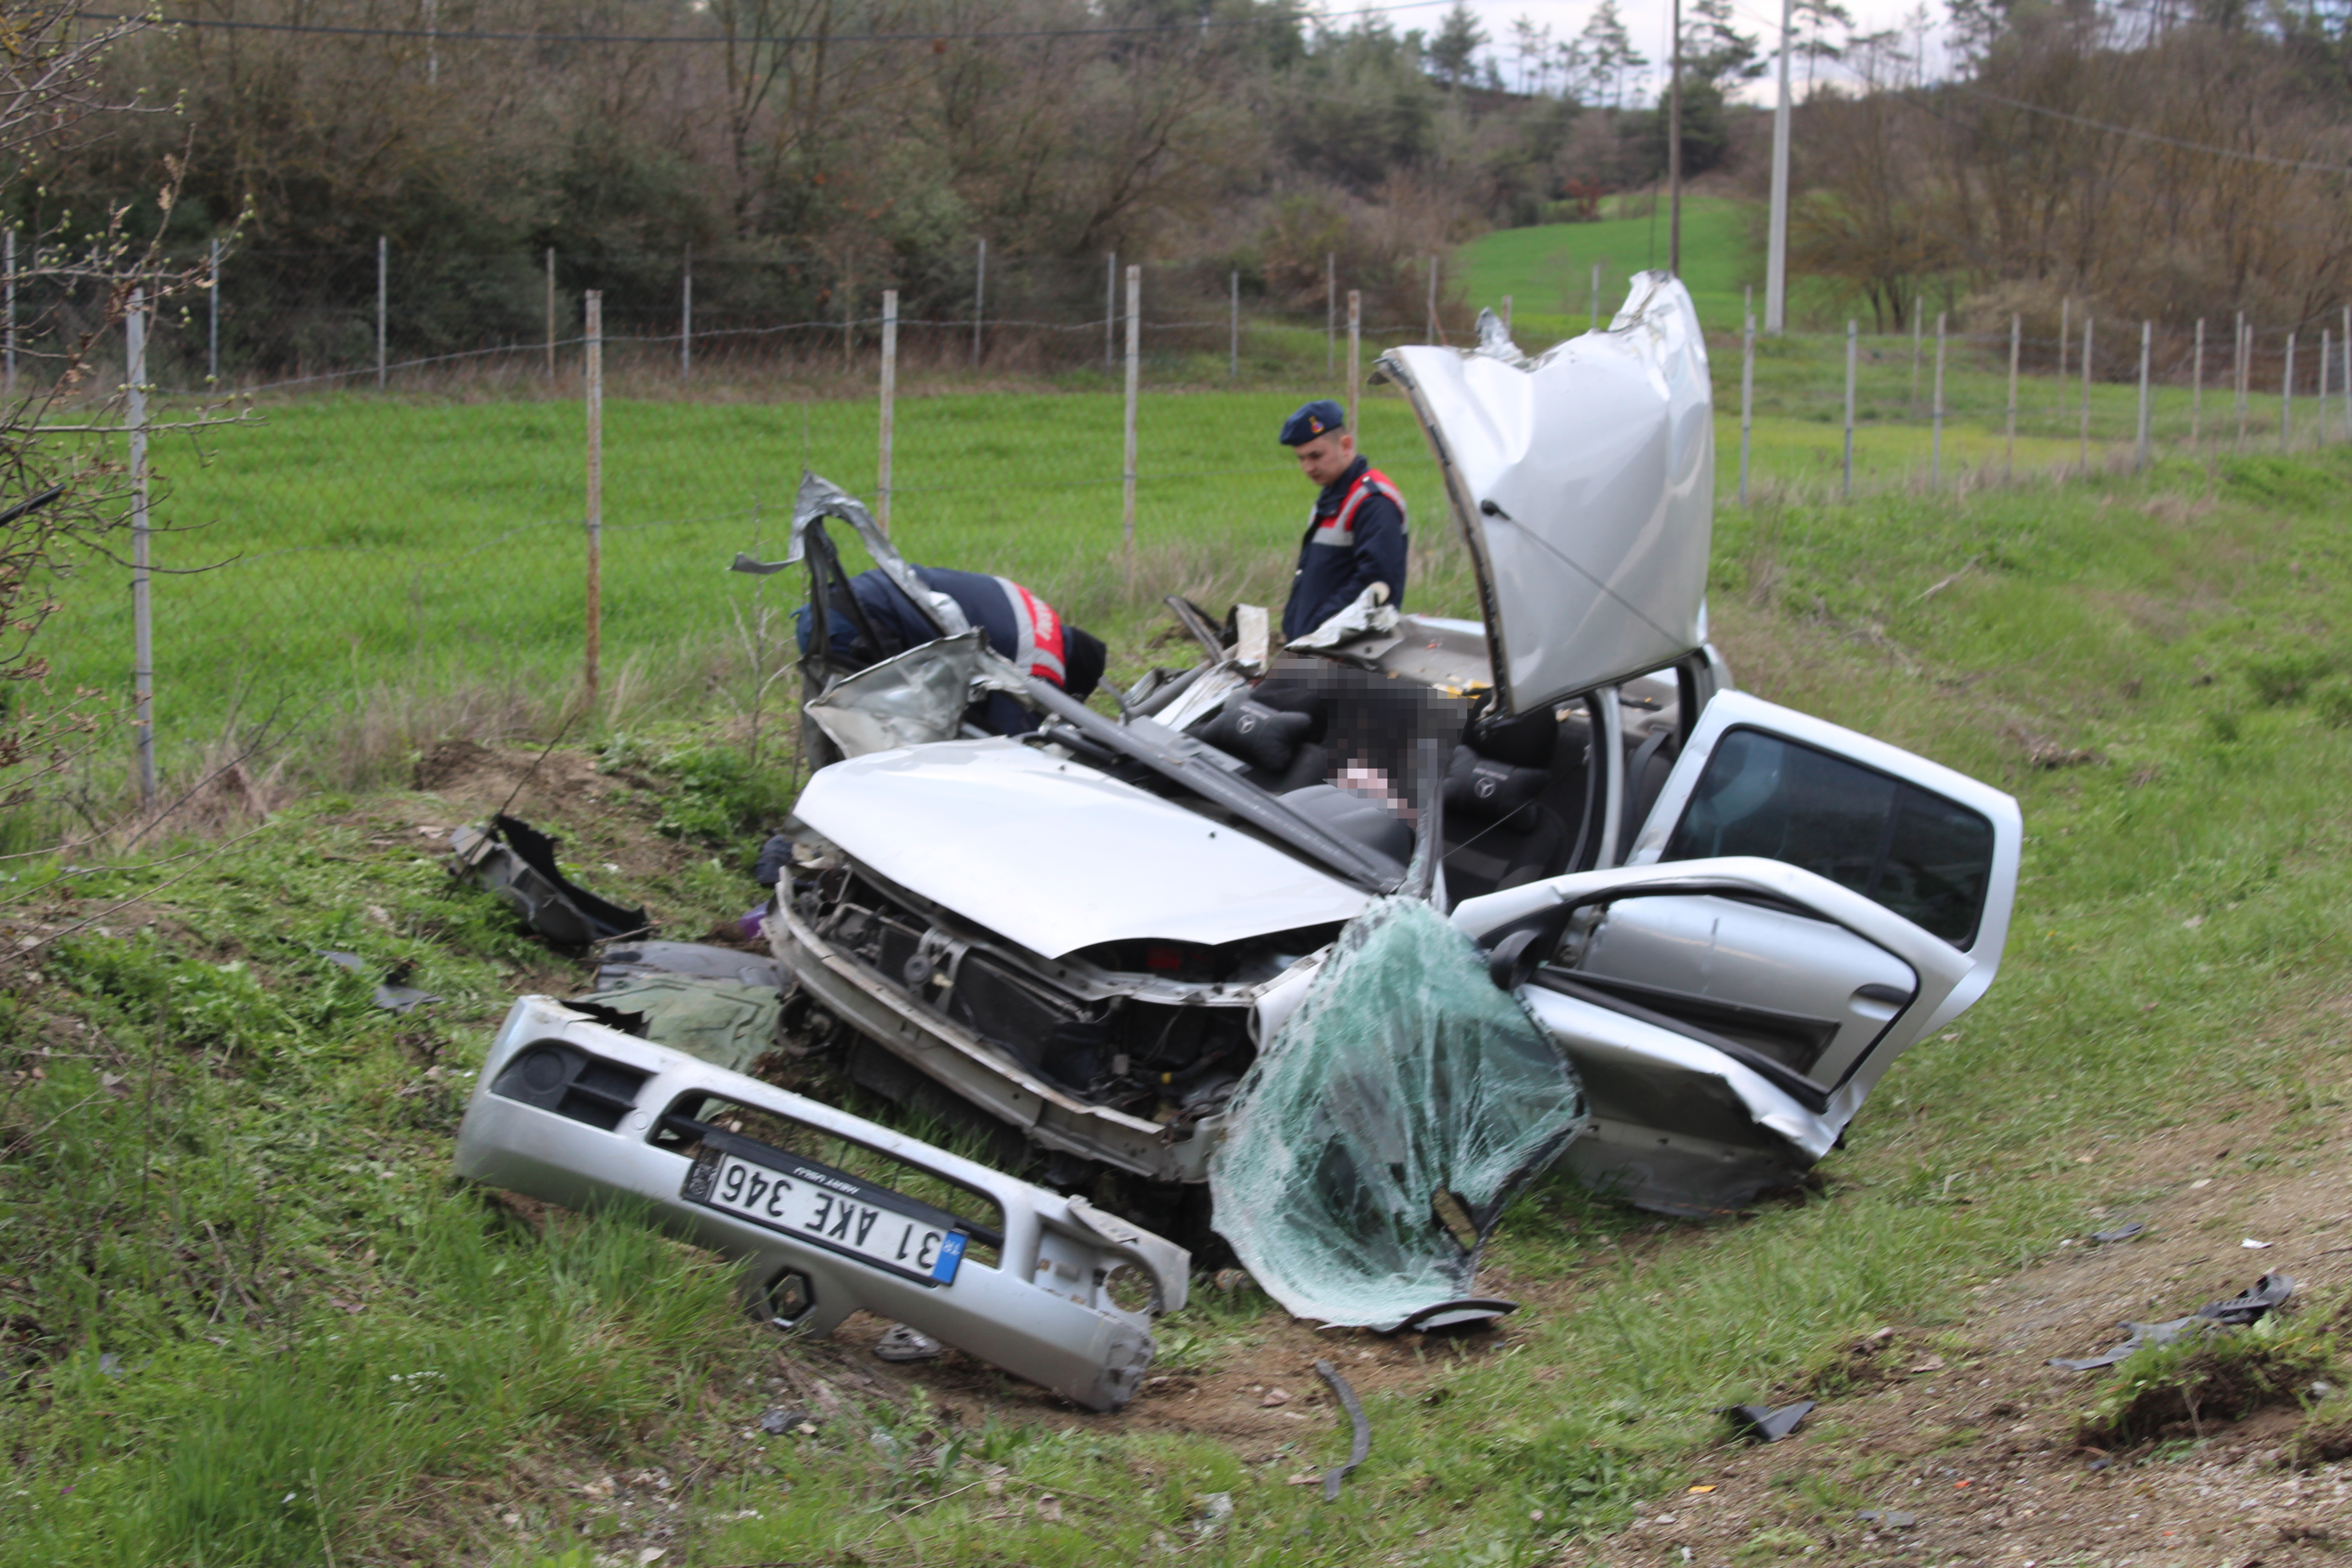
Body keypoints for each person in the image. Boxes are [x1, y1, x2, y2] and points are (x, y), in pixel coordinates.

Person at [794, 562, 1107, 735]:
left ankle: (805, 839)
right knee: (885, 754)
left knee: (842, 743)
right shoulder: (1045, 661)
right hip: (863, 628)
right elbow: (1011, 743)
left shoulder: (1037, 612)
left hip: (827, 610)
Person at [1277, 398, 1408, 642]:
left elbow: (1377, 586)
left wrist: (1319, 627)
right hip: (1317, 646)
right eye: (1301, 458)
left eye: (1315, 456)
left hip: (1343, 651)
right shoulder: (1333, 494)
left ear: (1345, 445)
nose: (1307, 467)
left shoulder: (1373, 501)